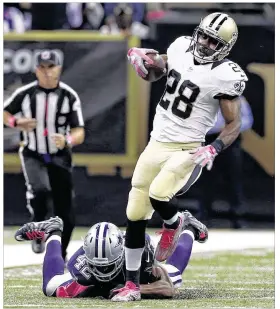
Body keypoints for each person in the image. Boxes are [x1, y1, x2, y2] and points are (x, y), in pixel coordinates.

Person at [112, 12, 248, 301]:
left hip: (189, 147)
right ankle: (131, 285)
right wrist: (144, 61)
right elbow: (160, 69)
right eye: (205, 36)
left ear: (225, 47)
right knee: (135, 210)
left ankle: (175, 222)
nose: (206, 43)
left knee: (160, 192)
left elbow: (233, 123)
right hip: (157, 142)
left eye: (214, 41)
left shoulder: (225, 75)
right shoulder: (180, 46)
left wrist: (214, 147)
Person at [3, 50, 85, 259]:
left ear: (59, 69)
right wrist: (16, 123)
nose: (47, 72)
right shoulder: (25, 94)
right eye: (43, 67)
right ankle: (38, 229)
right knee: (40, 191)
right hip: (33, 153)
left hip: (60, 155)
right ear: (36, 70)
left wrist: (67, 140)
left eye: (51, 67)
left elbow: (79, 131)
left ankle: (61, 254)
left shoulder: (68, 96)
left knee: (65, 208)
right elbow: (5, 112)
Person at [14, 212, 208, 299]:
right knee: (50, 287)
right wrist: (103, 290)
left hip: (131, 274)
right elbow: (85, 285)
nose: (102, 271)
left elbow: (166, 289)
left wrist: (132, 289)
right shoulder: (80, 265)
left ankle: (188, 227)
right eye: (98, 267)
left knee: (175, 277)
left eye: (106, 267)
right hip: (99, 282)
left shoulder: (140, 254)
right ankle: (53, 232)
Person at [198, 96, 253, 228]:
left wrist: (230, 127)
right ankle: (204, 215)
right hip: (210, 139)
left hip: (231, 142)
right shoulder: (206, 98)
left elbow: (248, 120)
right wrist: (216, 129)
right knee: (207, 179)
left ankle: (237, 217)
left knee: (234, 180)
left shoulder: (238, 99)